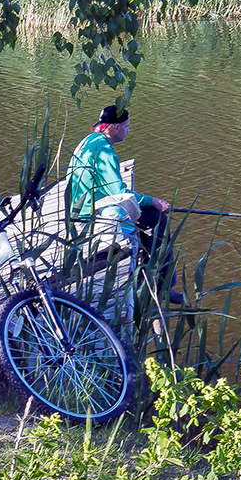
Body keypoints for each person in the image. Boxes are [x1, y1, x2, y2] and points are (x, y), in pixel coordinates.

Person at [68, 104, 173, 327]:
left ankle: (150, 275)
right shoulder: (105, 151)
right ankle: (163, 285)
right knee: (156, 219)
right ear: (115, 128)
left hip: (82, 204)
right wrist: (153, 201)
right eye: (126, 126)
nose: (128, 130)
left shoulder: (90, 141)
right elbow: (120, 193)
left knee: (144, 219)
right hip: (88, 213)